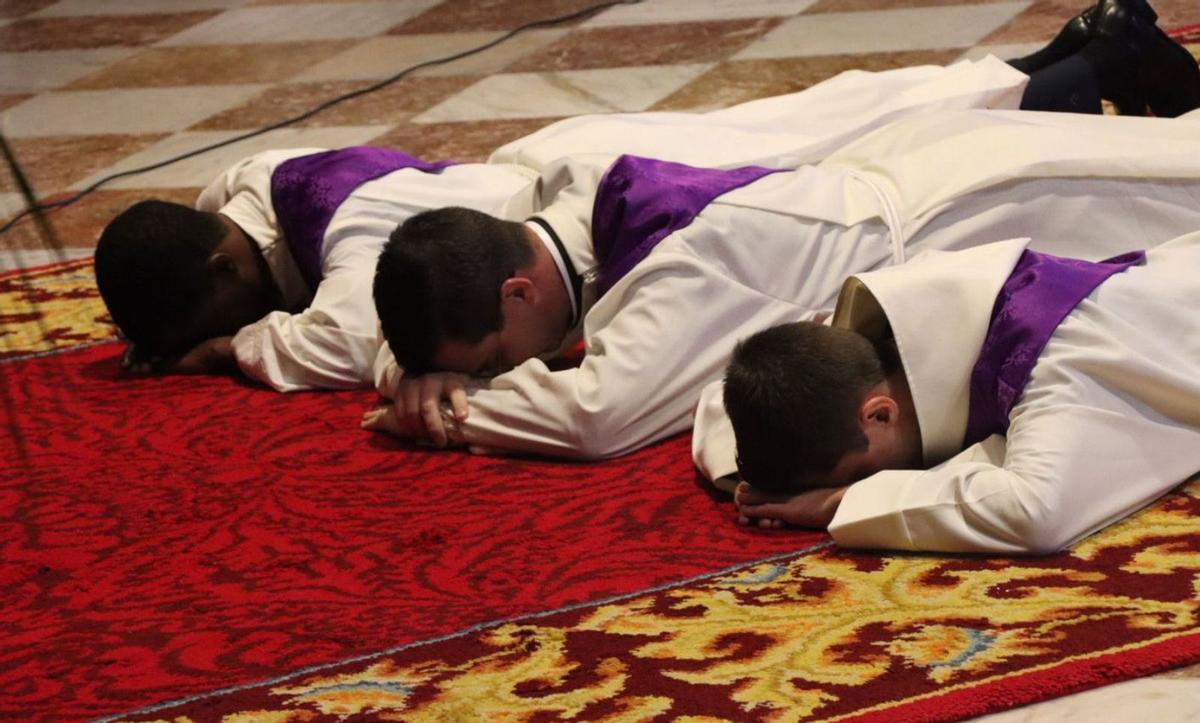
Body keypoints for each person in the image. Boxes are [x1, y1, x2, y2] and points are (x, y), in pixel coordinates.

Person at [365, 104, 1200, 459]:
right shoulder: (543, 211)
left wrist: (442, 412)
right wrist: (413, 368)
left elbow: (599, 415)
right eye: (482, 374)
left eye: (488, 360)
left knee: (1168, 189)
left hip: (967, 208)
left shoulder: (690, 264)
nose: (497, 373)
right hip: (918, 166)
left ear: (518, 293)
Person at [720, 232, 1200, 555]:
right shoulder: (896, 322)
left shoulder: (1058, 362)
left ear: (879, 416)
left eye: (860, 469)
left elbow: (1034, 512)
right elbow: (732, 398)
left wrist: (841, 502)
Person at [94, 147, 540, 391]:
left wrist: (224, 349)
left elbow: (353, 346)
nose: (203, 338)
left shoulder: (351, 233)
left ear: (225, 269)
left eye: (204, 325)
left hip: (541, 237)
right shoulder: (243, 185)